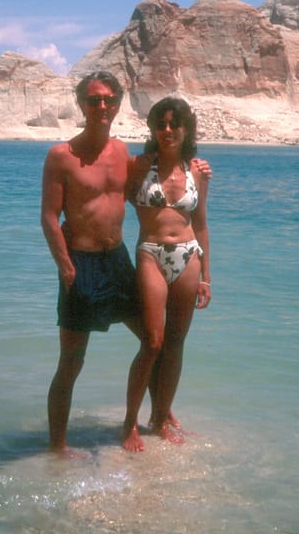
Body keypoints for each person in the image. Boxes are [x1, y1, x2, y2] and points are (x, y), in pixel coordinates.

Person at [40, 72, 209, 455]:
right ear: (81, 102)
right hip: (79, 264)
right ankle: (57, 447)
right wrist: (64, 264)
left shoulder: (123, 153)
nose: (102, 107)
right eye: (94, 100)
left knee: (155, 341)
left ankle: (159, 414)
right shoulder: (60, 156)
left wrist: (193, 161)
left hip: (117, 262)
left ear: (117, 104)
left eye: (109, 100)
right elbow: (49, 217)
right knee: (71, 360)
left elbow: (157, 187)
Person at [121, 97, 211, 452]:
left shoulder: (198, 172)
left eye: (175, 124)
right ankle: (130, 422)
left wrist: (207, 275)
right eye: (161, 124)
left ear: (186, 129)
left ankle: (160, 419)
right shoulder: (140, 167)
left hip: (188, 256)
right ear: (153, 129)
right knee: (153, 342)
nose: (168, 130)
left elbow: (201, 221)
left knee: (175, 344)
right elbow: (112, 200)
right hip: (151, 254)